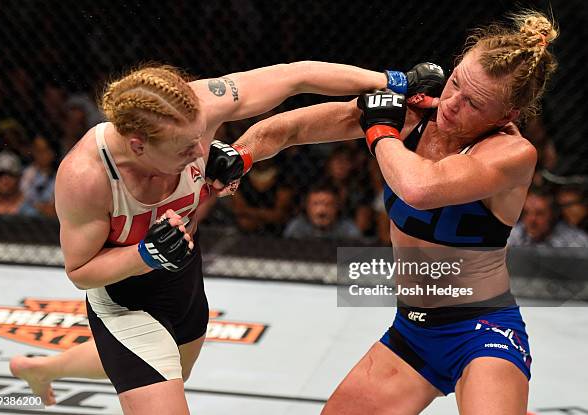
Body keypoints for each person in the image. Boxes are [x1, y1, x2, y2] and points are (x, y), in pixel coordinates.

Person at [9, 61, 434, 414]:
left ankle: (42, 367)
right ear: (138, 147)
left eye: (201, 137)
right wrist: (146, 253)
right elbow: (80, 271)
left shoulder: (198, 104)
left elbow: (296, 75)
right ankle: (48, 367)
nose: (200, 152)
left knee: (169, 364)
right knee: (153, 372)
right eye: (185, 149)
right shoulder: (87, 177)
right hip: (124, 300)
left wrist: (389, 81)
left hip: (184, 283)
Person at [231, 10, 557, 414]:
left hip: (483, 331)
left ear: (506, 116)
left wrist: (381, 128)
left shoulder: (511, 153)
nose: (452, 104)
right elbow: (293, 129)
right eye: (455, 83)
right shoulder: (417, 115)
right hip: (413, 333)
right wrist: (239, 155)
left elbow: (420, 188)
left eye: (473, 103)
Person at [508, 187, 588, 247]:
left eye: (539, 214)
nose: (531, 220)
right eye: (526, 213)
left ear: (552, 215)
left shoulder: (576, 242)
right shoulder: (512, 235)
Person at [284, 181, 362, 240]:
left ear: (337, 207)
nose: (321, 211)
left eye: (328, 205)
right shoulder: (297, 227)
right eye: (316, 204)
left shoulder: (348, 230)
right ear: (307, 207)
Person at [0, 150, 38, 219]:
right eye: (0, 174)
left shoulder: (31, 211)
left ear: (19, 177)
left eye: (11, 174)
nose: (5, 180)